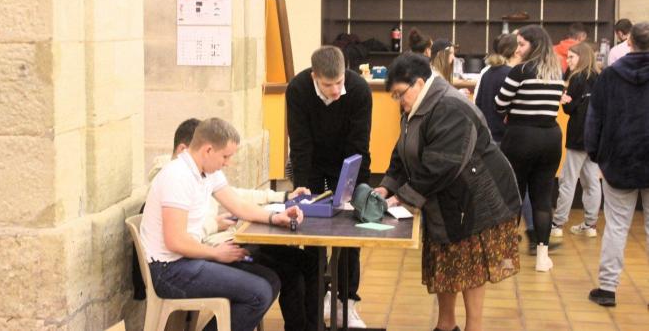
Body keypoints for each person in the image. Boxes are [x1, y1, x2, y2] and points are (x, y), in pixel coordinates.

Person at [376, 53, 520, 331]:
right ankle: (446, 325)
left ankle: (473, 328)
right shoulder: (416, 106)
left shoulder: (450, 106)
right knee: (447, 263)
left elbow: (442, 164)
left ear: (419, 83)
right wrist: (387, 185)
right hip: (446, 199)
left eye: (399, 94)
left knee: (470, 267)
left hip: (478, 200)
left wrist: (401, 198)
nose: (398, 101)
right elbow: (404, 150)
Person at [146, 118, 319, 331]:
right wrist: (216, 254)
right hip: (169, 269)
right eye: (225, 156)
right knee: (258, 293)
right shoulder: (177, 176)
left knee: (271, 280)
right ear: (208, 150)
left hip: (189, 258)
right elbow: (175, 241)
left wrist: (275, 217)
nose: (227, 163)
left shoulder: (207, 172)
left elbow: (238, 205)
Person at [286, 45, 372, 328]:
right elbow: (299, 144)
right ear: (314, 76)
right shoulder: (298, 89)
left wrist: (349, 190)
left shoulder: (358, 90)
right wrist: (301, 187)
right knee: (311, 231)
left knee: (349, 232)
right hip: (311, 162)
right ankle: (316, 300)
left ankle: (345, 301)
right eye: (328, 84)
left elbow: (358, 144)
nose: (335, 90)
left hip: (348, 161)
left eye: (339, 83)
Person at [586, 22, 649, 307]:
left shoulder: (610, 75)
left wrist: (595, 153)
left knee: (616, 226)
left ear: (630, 42)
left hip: (619, 158)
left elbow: (594, 117)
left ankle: (608, 288)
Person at [495, 25, 564, 272]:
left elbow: (500, 103)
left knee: (513, 196)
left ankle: (506, 256)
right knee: (543, 199)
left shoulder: (520, 71)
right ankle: (542, 257)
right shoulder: (557, 71)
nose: (518, 48)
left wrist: (510, 111)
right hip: (550, 138)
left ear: (533, 45)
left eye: (522, 44)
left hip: (521, 137)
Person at [550, 42, 601, 238]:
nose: (568, 60)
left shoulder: (577, 78)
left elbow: (569, 109)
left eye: (571, 57)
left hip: (578, 135)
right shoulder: (599, 77)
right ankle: (590, 224)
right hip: (595, 135)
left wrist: (563, 99)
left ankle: (558, 223)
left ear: (582, 57)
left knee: (567, 180)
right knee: (592, 181)